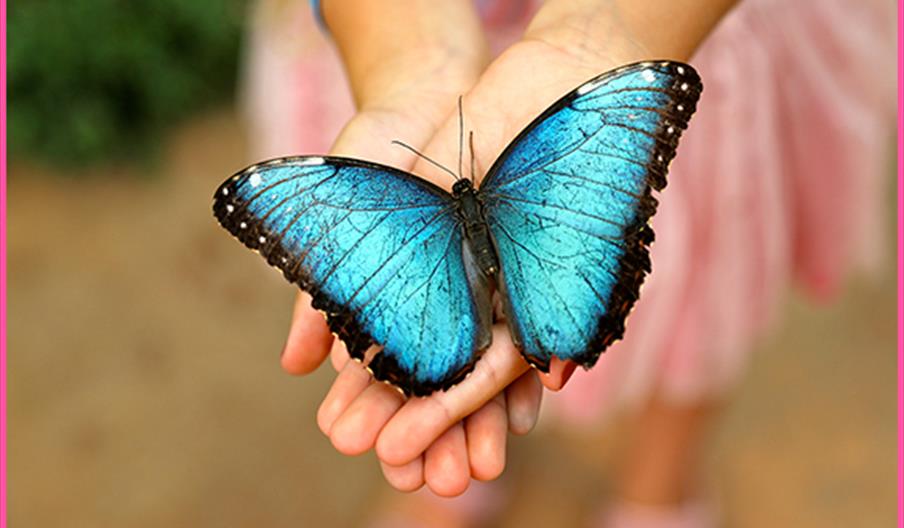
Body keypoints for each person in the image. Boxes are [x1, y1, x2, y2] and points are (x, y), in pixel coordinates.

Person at [243, 0, 895, 525]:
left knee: (695, 312)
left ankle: (658, 492)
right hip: (405, 31)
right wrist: (408, 48)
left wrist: (602, 37)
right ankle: (449, 492)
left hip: (671, 22)